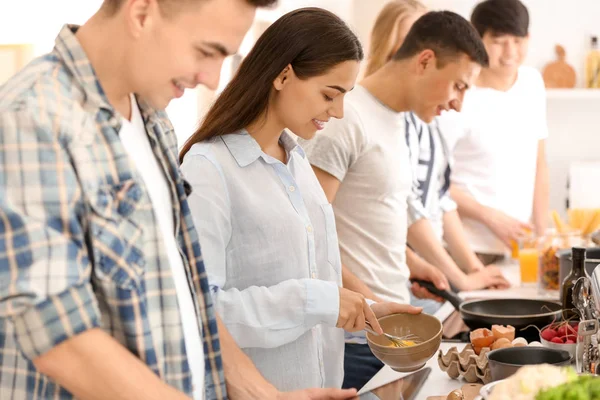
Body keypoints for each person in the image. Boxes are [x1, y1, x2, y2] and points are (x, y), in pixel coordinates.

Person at [0, 1, 357, 399]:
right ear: (141, 13)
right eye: (207, 52)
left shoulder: (154, 122)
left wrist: (263, 394)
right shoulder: (31, 118)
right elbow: (60, 339)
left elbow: (195, 296)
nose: (212, 78)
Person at [179, 7, 422, 393]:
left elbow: (313, 272)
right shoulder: (208, 168)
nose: (339, 111)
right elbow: (203, 312)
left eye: (345, 97)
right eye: (330, 94)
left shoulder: (297, 159)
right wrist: (317, 301)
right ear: (283, 75)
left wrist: (366, 308)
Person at [299, 10, 491, 390]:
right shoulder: (344, 118)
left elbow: (373, 213)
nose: (457, 103)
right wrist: (375, 311)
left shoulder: (398, 120)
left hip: (388, 329)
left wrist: (411, 264)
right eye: (459, 85)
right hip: (358, 337)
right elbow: (308, 234)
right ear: (425, 61)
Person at [364, 0, 509, 310]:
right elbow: (405, 213)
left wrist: (471, 270)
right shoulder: (369, 117)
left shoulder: (427, 120)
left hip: (412, 279)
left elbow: (441, 201)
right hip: (384, 289)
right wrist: (459, 276)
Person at [441, 0, 549, 265]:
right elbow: (432, 180)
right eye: (499, 41)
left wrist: (543, 234)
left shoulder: (532, 82)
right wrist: (488, 216)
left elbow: (539, 162)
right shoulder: (456, 93)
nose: (510, 51)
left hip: (519, 249)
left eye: (518, 40)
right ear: (477, 39)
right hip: (464, 249)